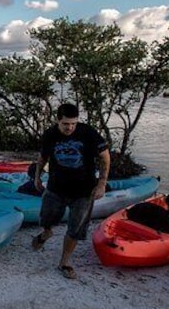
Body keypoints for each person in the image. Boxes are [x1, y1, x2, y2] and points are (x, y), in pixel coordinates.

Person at [31, 103, 110, 279]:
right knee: (45, 218)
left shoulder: (88, 133)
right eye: (66, 123)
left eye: (73, 123)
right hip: (56, 187)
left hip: (83, 191)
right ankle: (47, 232)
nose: (70, 127)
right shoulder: (50, 134)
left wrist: (102, 183)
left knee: (75, 228)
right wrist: (37, 177)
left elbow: (105, 156)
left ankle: (64, 262)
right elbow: (43, 157)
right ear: (58, 120)